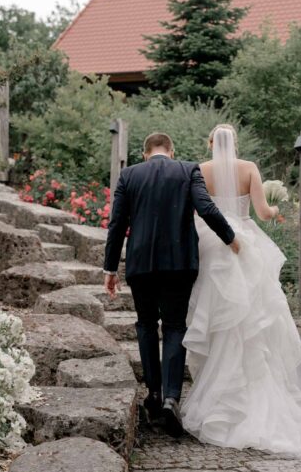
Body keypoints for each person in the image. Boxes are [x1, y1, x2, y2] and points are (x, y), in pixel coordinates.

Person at [179, 124, 301, 457]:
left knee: (216, 319)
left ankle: (217, 398)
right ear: (236, 143)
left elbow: (195, 211)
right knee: (254, 322)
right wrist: (274, 208)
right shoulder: (249, 169)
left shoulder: (200, 170)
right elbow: (262, 212)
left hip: (210, 244)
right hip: (243, 243)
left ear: (210, 142)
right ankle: (258, 394)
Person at [103, 132, 240, 437]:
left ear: (145, 153)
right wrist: (231, 238)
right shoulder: (188, 169)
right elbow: (206, 208)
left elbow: (117, 223)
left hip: (141, 264)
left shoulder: (129, 175)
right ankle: (171, 399)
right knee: (176, 327)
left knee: (147, 325)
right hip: (179, 263)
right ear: (172, 150)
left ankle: (152, 394)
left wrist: (110, 268)